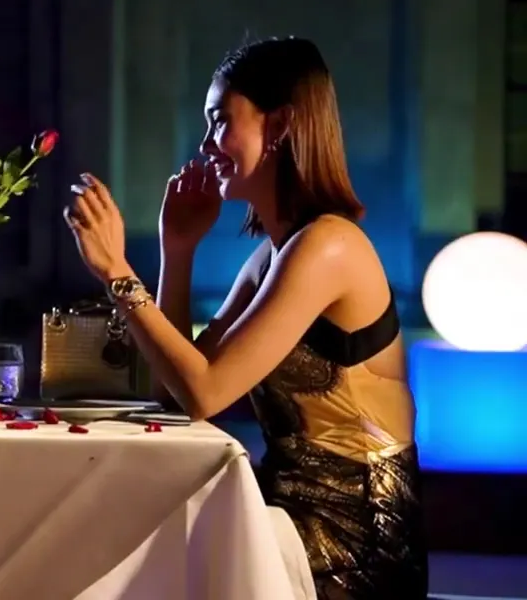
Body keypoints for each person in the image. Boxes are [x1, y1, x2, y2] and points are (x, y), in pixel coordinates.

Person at [64, 37, 427, 598]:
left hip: (353, 542)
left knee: (152, 555)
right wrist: (176, 251)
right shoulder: (271, 257)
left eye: (219, 122)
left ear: (279, 126)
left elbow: (205, 392)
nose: (206, 144)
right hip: (282, 517)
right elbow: (174, 391)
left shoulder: (329, 246)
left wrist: (117, 272)